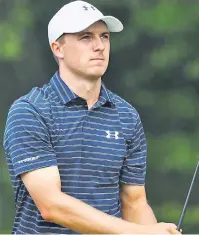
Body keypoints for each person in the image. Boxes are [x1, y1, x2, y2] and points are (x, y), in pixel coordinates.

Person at [3, 1, 181, 234]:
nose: (99, 46)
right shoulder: (30, 111)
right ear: (58, 48)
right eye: (86, 37)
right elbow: (51, 205)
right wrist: (138, 233)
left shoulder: (126, 116)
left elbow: (134, 202)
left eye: (104, 36)